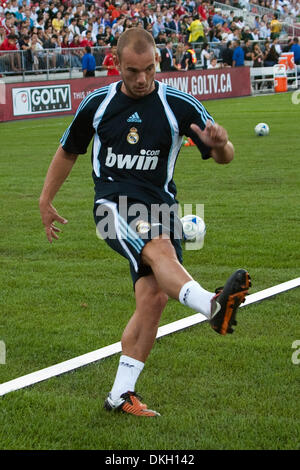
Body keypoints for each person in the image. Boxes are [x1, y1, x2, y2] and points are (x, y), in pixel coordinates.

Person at [39, 28, 251, 418]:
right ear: (115, 64)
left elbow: (225, 157)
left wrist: (221, 144)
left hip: (161, 207)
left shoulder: (178, 105)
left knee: (153, 298)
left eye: (149, 69)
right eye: (132, 70)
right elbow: (69, 150)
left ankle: (120, 394)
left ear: (158, 61)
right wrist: (45, 198)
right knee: (159, 250)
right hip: (112, 207)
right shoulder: (97, 105)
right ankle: (212, 305)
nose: (141, 79)